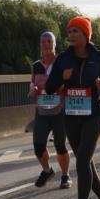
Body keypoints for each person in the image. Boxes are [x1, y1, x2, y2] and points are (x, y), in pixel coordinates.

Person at [46, 16, 100, 199]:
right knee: (86, 162)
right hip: (71, 115)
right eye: (70, 31)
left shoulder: (98, 56)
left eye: (76, 31)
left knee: (82, 160)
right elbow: (49, 88)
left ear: (86, 34)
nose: (71, 35)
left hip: (93, 114)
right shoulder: (63, 59)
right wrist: (62, 78)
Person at [29, 31, 71, 189]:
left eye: (49, 41)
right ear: (40, 44)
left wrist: (60, 88)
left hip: (59, 109)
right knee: (38, 145)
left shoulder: (61, 63)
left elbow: (69, 80)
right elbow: (33, 82)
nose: (46, 44)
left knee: (60, 145)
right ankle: (47, 170)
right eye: (43, 41)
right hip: (42, 110)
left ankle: (65, 175)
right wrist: (32, 89)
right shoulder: (36, 65)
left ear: (54, 44)